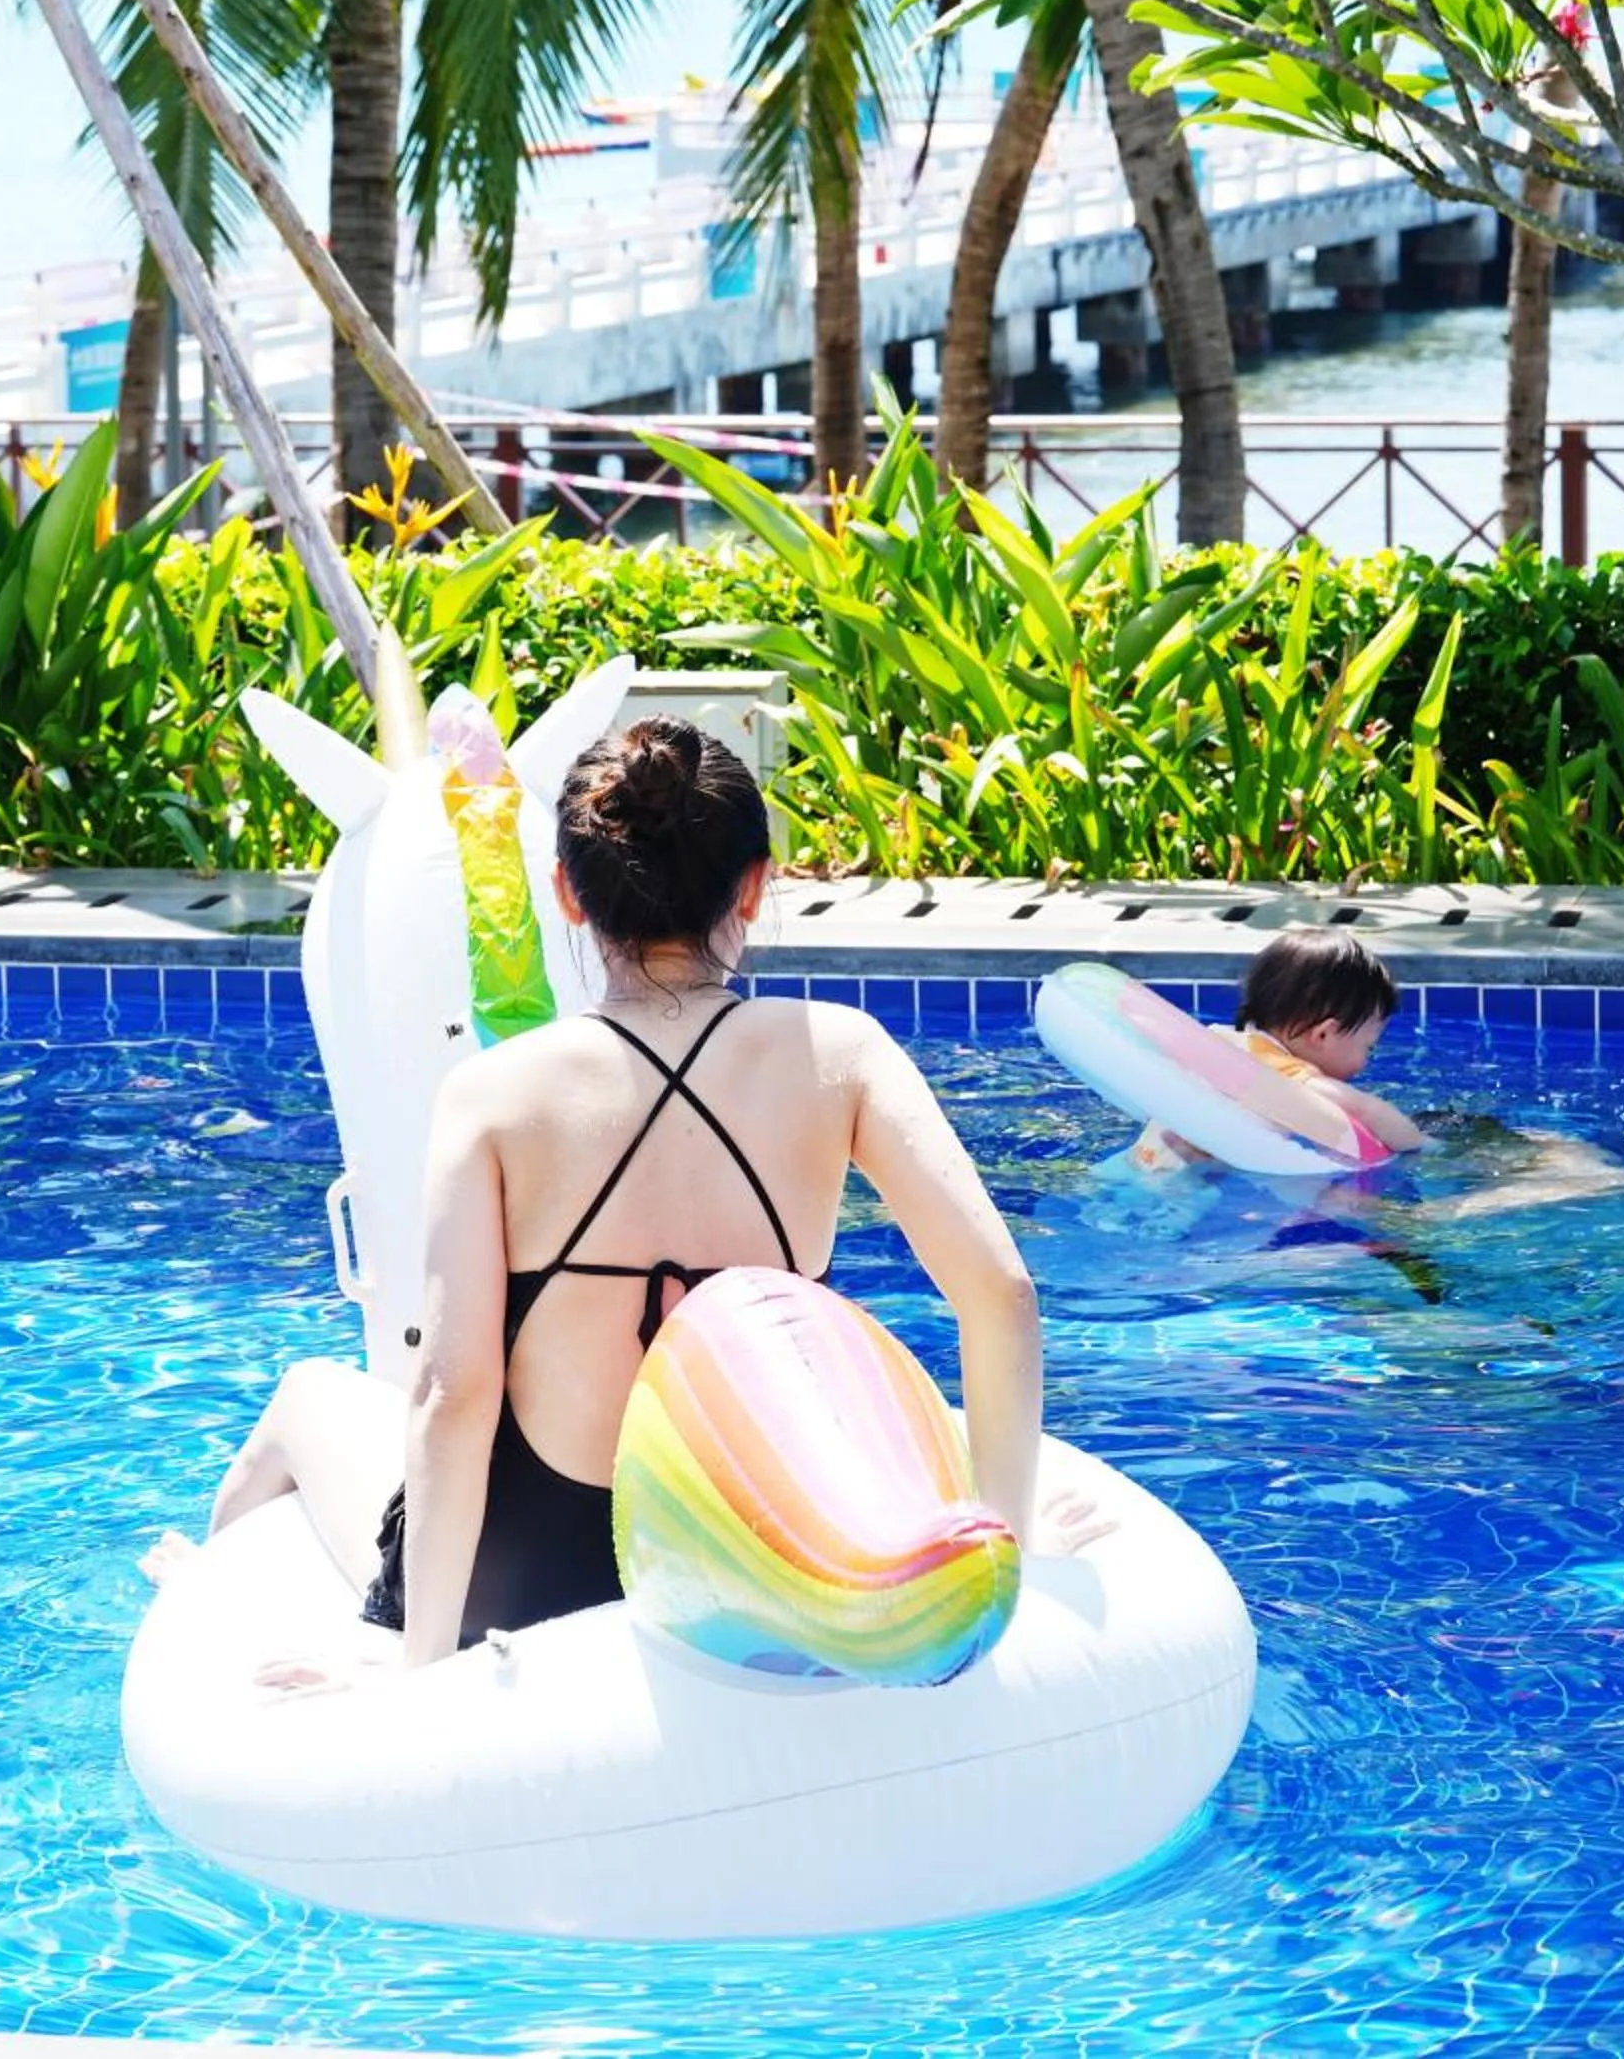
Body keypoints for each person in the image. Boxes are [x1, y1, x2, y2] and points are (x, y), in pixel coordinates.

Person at [195, 715, 1089, 1675]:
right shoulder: (844, 1055)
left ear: (567, 899)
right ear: (755, 884)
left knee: (304, 1398)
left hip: (531, 1573)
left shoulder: (493, 1094)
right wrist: (1013, 1550)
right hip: (761, 1552)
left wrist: (422, 1670)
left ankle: (196, 1597)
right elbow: (1002, 1298)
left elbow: (454, 1395)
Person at [1133, 927, 1423, 1174]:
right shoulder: (1282, 1072)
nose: (1364, 1064)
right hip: (1188, 1187)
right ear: (1324, 1034)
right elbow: (1365, 1110)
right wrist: (1420, 1146)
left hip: (1146, 1159)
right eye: (1368, 1048)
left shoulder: (1222, 1041)